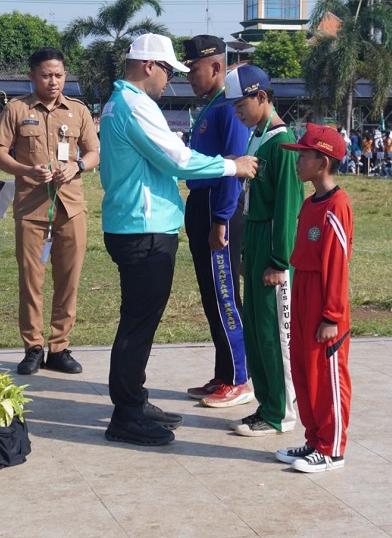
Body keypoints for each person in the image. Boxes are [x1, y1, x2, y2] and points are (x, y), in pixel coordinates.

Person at [99, 33, 258, 446]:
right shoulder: (135, 105)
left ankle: (134, 399)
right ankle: (127, 414)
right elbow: (178, 158)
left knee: (141, 321)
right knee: (137, 325)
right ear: (149, 65)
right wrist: (232, 166)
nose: (171, 79)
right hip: (143, 228)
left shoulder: (120, 102)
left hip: (139, 223)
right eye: (168, 69)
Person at [0, 47, 100, 376]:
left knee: (68, 280)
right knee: (31, 280)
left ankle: (60, 347)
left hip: (71, 208)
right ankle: (33, 347)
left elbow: (94, 151)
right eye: (46, 75)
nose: (53, 81)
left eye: (59, 75)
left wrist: (77, 166)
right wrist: (26, 170)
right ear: (32, 76)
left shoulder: (78, 111)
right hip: (32, 208)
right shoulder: (16, 109)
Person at [226, 64, 304, 438]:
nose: (237, 112)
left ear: (261, 96)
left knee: (275, 333)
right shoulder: (256, 137)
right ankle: (266, 404)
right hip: (254, 239)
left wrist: (279, 260)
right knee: (256, 329)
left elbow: (288, 207)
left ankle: (282, 412)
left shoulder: (283, 143)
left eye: (241, 104)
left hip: (272, 243)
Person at [274, 123, 353, 473]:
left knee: (327, 375)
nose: (298, 160)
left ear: (322, 162)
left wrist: (331, 316)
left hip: (324, 301)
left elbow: (337, 265)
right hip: (302, 292)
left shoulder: (337, 206)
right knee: (304, 372)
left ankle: (332, 448)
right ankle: (314, 440)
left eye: (303, 155)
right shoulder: (309, 204)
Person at [180, 36, 253, 408]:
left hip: (217, 208)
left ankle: (240, 378)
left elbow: (233, 167)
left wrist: (222, 219)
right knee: (212, 295)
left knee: (224, 294)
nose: (189, 77)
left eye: (193, 69)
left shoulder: (228, 108)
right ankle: (224, 373)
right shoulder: (210, 105)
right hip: (201, 203)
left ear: (216, 67)